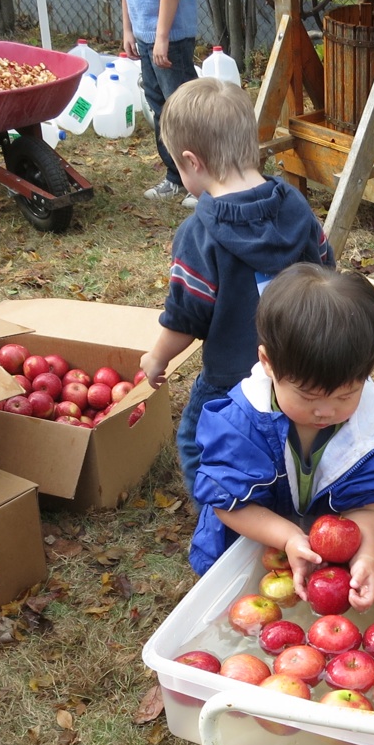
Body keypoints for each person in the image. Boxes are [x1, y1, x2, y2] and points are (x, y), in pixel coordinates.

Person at [137, 78, 335, 497]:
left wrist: (156, 359)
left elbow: (187, 315)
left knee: (198, 442)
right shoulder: (296, 207)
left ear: (191, 162)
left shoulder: (199, 234)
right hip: (296, 372)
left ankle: (225, 518)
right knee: (282, 442)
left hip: (230, 379)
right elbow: (326, 273)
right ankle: (282, 500)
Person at [188, 263, 374, 610]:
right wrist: (289, 537)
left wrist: (365, 555)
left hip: (324, 564)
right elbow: (228, 505)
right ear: (268, 363)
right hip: (247, 547)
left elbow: (364, 503)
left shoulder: (368, 432)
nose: (326, 411)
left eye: (345, 395)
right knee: (240, 616)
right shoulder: (241, 425)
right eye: (307, 396)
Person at [115, 0, 199, 207]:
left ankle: (205, 182)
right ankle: (176, 177)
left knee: (184, 111)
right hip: (145, 34)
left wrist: (162, 36)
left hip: (170, 37)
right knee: (159, 106)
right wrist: (129, 28)